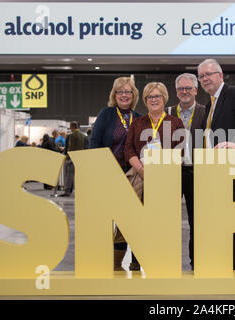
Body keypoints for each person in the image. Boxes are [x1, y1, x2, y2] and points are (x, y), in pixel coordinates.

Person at [197, 58, 235, 270]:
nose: (205, 79)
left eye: (209, 74)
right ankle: (221, 264)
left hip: (229, 169)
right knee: (218, 221)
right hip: (213, 171)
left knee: (229, 223)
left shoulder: (234, 93)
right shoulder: (209, 104)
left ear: (220, 75)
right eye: (201, 76)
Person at [124, 82, 185, 272]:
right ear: (145, 100)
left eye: (157, 96)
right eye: (150, 97)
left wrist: (163, 172)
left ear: (164, 98)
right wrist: (141, 169)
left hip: (167, 180)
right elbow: (128, 149)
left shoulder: (175, 123)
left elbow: (181, 151)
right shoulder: (138, 123)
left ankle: (163, 257)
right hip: (142, 177)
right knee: (140, 220)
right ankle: (136, 258)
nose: (154, 100)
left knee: (164, 221)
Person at [89, 76, 142, 272]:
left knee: (127, 220)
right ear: (114, 95)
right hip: (107, 174)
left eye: (128, 91)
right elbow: (94, 142)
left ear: (134, 95)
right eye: (120, 92)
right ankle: (101, 260)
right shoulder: (106, 114)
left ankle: (119, 261)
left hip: (131, 175)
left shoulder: (139, 117)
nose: (124, 95)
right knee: (104, 220)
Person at [166, 73, 206, 270]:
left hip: (197, 173)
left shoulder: (206, 113)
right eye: (181, 89)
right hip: (170, 174)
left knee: (196, 221)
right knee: (167, 219)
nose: (184, 92)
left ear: (196, 90)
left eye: (188, 88)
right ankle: (167, 260)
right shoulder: (166, 113)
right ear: (176, 92)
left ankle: (196, 261)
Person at [58, 121, 87, 197]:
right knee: (79, 175)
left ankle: (67, 191)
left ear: (72, 127)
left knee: (69, 175)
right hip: (80, 158)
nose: (70, 128)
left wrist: (67, 158)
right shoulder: (83, 135)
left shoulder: (72, 135)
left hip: (73, 157)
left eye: (70, 127)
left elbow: (71, 147)